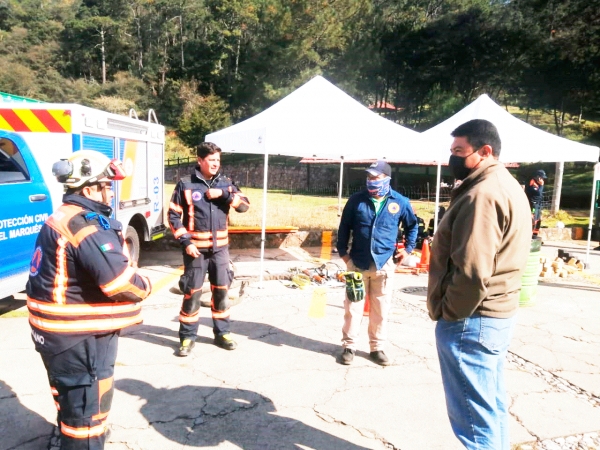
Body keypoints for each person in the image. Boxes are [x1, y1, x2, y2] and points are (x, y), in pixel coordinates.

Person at [26, 150, 152, 450]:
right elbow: (121, 283)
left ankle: (67, 435)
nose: (109, 191)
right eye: (106, 185)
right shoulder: (86, 225)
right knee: (87, 422)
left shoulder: (63, 215)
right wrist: (144, 283)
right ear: (89, 189)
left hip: (56, 338)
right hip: (80, 342)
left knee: (70, 404)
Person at [427, 119, 531, 450]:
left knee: (474, 420)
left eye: (459, 151)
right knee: (489, 408)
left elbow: (472, 271)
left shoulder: (482, 194)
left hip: (471, 320)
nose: (453, 158)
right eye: (451, 151)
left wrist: (450, 313)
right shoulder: (504, 184)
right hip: (491, 316)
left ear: (485, 151)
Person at [169, 142, 249, 356]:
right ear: (200, 161)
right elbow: (173, 216)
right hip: (195, 251)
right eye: (211, 160)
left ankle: (222, 333)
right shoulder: (185, 184)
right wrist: (186, 242)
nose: (215, 164)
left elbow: (244, 206)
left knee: (222, 292)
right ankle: (187, 338)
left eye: (218, 161)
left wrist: (224, 195)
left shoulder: (226, 183)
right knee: (192, 294)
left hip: (220, 251)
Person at [336, 160, 418, 366]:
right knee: (352, 307)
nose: (371, 181)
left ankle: (377, 348)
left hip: (384, 264)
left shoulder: (399, 202)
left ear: (387, 179)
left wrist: (407, 249)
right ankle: (349, 346)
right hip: (358, 263)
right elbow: (344, 228)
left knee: (380, 309)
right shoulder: (356, 200)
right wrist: (344, 255)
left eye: (376, 177)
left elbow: (412, 227)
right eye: (369, 177)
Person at [525, 169, 547, 238]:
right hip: (533, 205)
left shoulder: (538, 184)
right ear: (538, 177)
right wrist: (541, 186)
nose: (543, 179)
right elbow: (538, 194)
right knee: (533, 220)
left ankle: (535, 235)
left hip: (538, 205)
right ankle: (529, 235)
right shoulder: (532, 183)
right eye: (542, 177)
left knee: (538, 220)